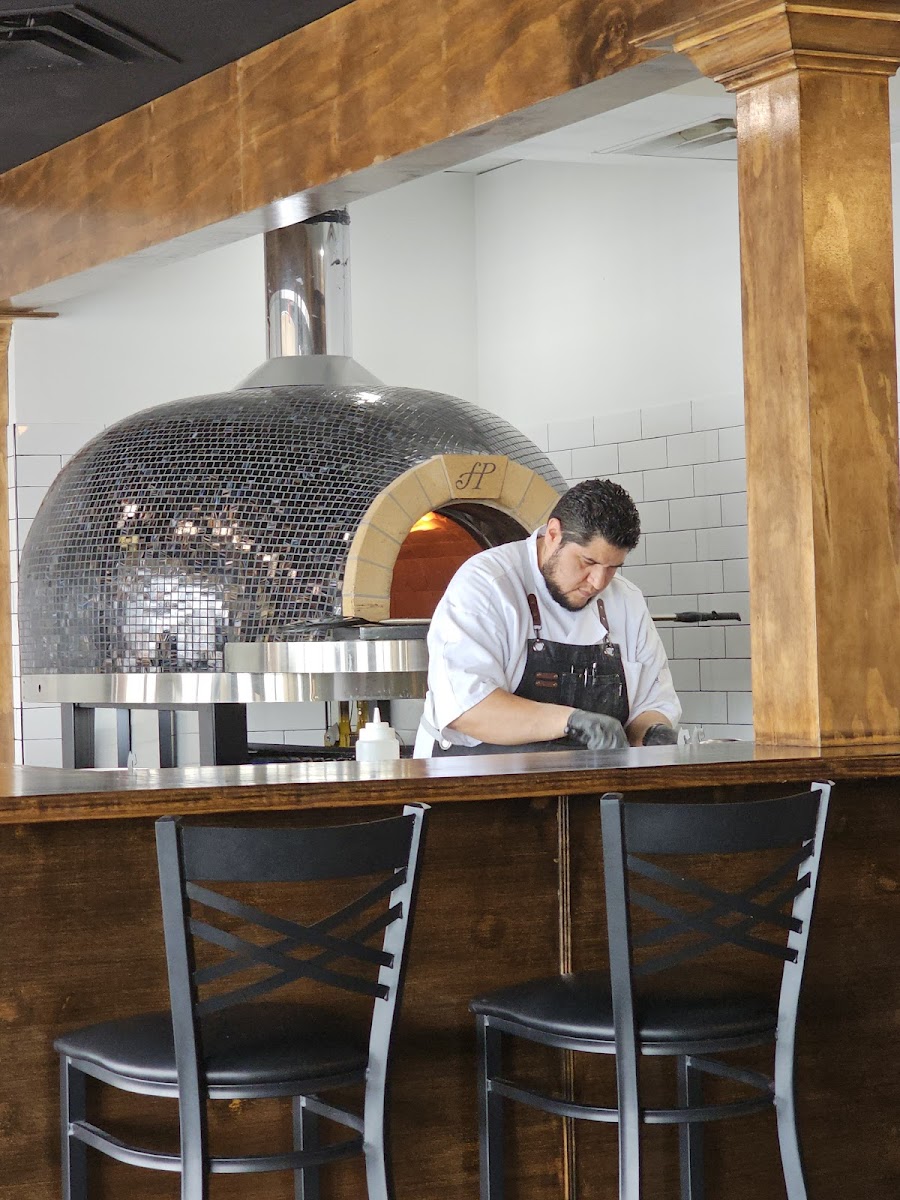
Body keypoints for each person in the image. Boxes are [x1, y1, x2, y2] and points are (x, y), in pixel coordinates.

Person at [413, 477, 681, 756]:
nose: (598, 582)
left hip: (586, 776)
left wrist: (653, 733)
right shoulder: (487, 584)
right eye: (588, 562)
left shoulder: (626, 600)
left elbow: (652, 703)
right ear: (553, 534)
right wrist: (572, 722)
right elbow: (466, 708)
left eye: (613, 567)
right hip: (472, 773)